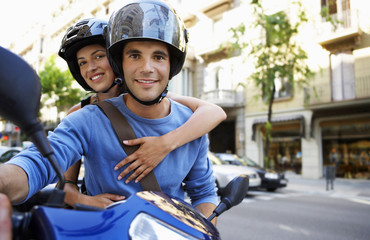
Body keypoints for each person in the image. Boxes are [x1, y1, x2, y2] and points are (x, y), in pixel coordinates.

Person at [1, 0, 218, 224]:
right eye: (134, 56)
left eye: (159, 57)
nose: (146, 68)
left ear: (171, 64)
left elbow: (204, 193)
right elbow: (39, 163)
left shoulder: (191, 124)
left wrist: (200, 228)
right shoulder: (84, 118)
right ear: (120, 63)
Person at [58, 17, 226, 208]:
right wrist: (87, 201)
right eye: (82, 63)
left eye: (99, 56)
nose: (91, 67)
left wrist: (164, 144)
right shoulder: (80, 116)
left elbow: (212, 111)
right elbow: (65, 183)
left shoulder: (148, 93)